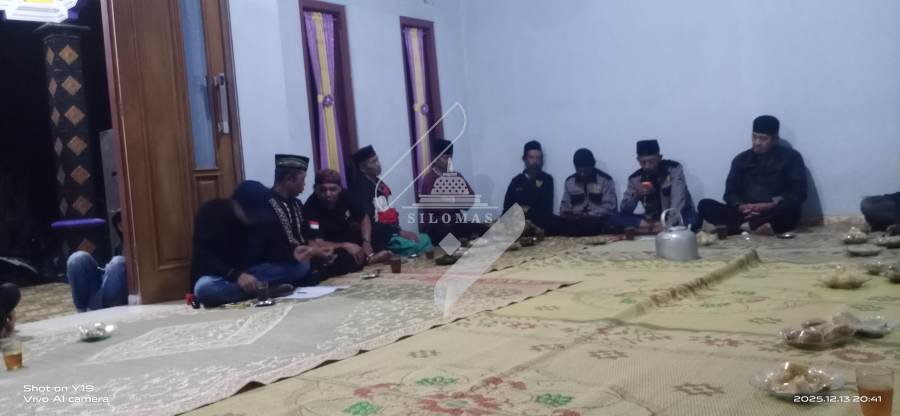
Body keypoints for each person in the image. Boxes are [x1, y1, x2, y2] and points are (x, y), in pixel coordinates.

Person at [192, 180, 333, 307]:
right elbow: (203, 258)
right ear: (235, 204)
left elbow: (269, 250)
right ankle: (264, 290)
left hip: (255, 273)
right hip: (222, 277)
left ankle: (258, 288)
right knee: (204, 289)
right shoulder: (210, 213)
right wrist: (236, 275)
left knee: (302, 266)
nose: (255, 219)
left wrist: (292, 253)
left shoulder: (262, 218)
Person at [698, 115, 807, 236]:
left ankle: (740, 226)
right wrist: (742, 207)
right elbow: (730, 192)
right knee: (704, 205)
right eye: (754, 137)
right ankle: (751, 227)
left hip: (772, 213)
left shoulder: (791, 157)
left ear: (775, 139)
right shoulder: (741, 159)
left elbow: (799, 193)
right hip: (744, 214)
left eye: (763, 138)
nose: (757, 143)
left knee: (792, 207)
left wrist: (768, 206)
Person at [304, 169, 394, 276]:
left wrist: (366, 242)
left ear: (340, 188)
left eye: (333, 189)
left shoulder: (346, 195)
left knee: (385, 229)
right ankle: (370, 259)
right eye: (323, 190)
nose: (328, 194)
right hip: (332, 245)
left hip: (349, 237)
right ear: (315, 189)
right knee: (336, 260)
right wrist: (345, 245)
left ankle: (364, 254)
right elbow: (317, 243)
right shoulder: (310, 207)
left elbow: (364, 218)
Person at [348, 145, 432, 256]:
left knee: (425, 238)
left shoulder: (381, 185)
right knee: (417, 244)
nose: (378, 164)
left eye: (377, 160)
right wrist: (398, 232)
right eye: (373, 162)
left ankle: (451, 253)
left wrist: (398, 231)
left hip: (393, 232)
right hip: (381, 236)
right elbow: (369, 222)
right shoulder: (361, 190)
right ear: (363, 168)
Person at [613, 140, 701, 234]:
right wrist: (636, 195)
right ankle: (662, 228)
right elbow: (625, 210)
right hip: (652, 219)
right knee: (615, 218)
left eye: (651, 161)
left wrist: (669, 223)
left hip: (677, 216)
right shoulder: (635, 178)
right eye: (643, 162)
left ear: (659, 158)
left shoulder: (674, 169)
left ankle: (645, 230)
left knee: (694, 219)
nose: (647, 166)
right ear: (638, 160)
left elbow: (678, 200)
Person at [418, 139, 488, 243]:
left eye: (451, 157)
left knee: (484, 230)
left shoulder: (457, 176)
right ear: (435, 158)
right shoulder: (429, 179)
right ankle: (455, 252)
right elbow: (438, 207)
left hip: (456, 222)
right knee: (447, 238)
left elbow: (469, 201)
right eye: (446, 158)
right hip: (436, 225)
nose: (449, 161)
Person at [66, 211, 128, 312]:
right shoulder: (121, 244)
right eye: (120, 221)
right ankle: (82, 311)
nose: (121, 224)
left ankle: (92, 312)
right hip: (104, 293)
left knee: (118, 263)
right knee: (77, 259)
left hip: (118, 299)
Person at [503, 140, 562, 234]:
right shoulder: (516, 181)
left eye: (538, 158)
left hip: (540, 226)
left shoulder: (546, 179)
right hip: (516, 227)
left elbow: (545, 208)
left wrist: (525, 209)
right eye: (531, 157)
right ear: (524, 159)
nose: (535, 161)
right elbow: (507, 209)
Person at [559, 148, 618, 236]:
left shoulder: (605, 180)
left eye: (586, 169)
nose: (582, 173)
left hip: (595, 219)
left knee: (591, 224)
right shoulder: (569, 181)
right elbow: (564, 206)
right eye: (579, 169)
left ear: (593, 165)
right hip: (574, 220)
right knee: (548, 220)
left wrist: (587, 215)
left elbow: (608, 208)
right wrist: (568, 214)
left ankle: (573, 231)